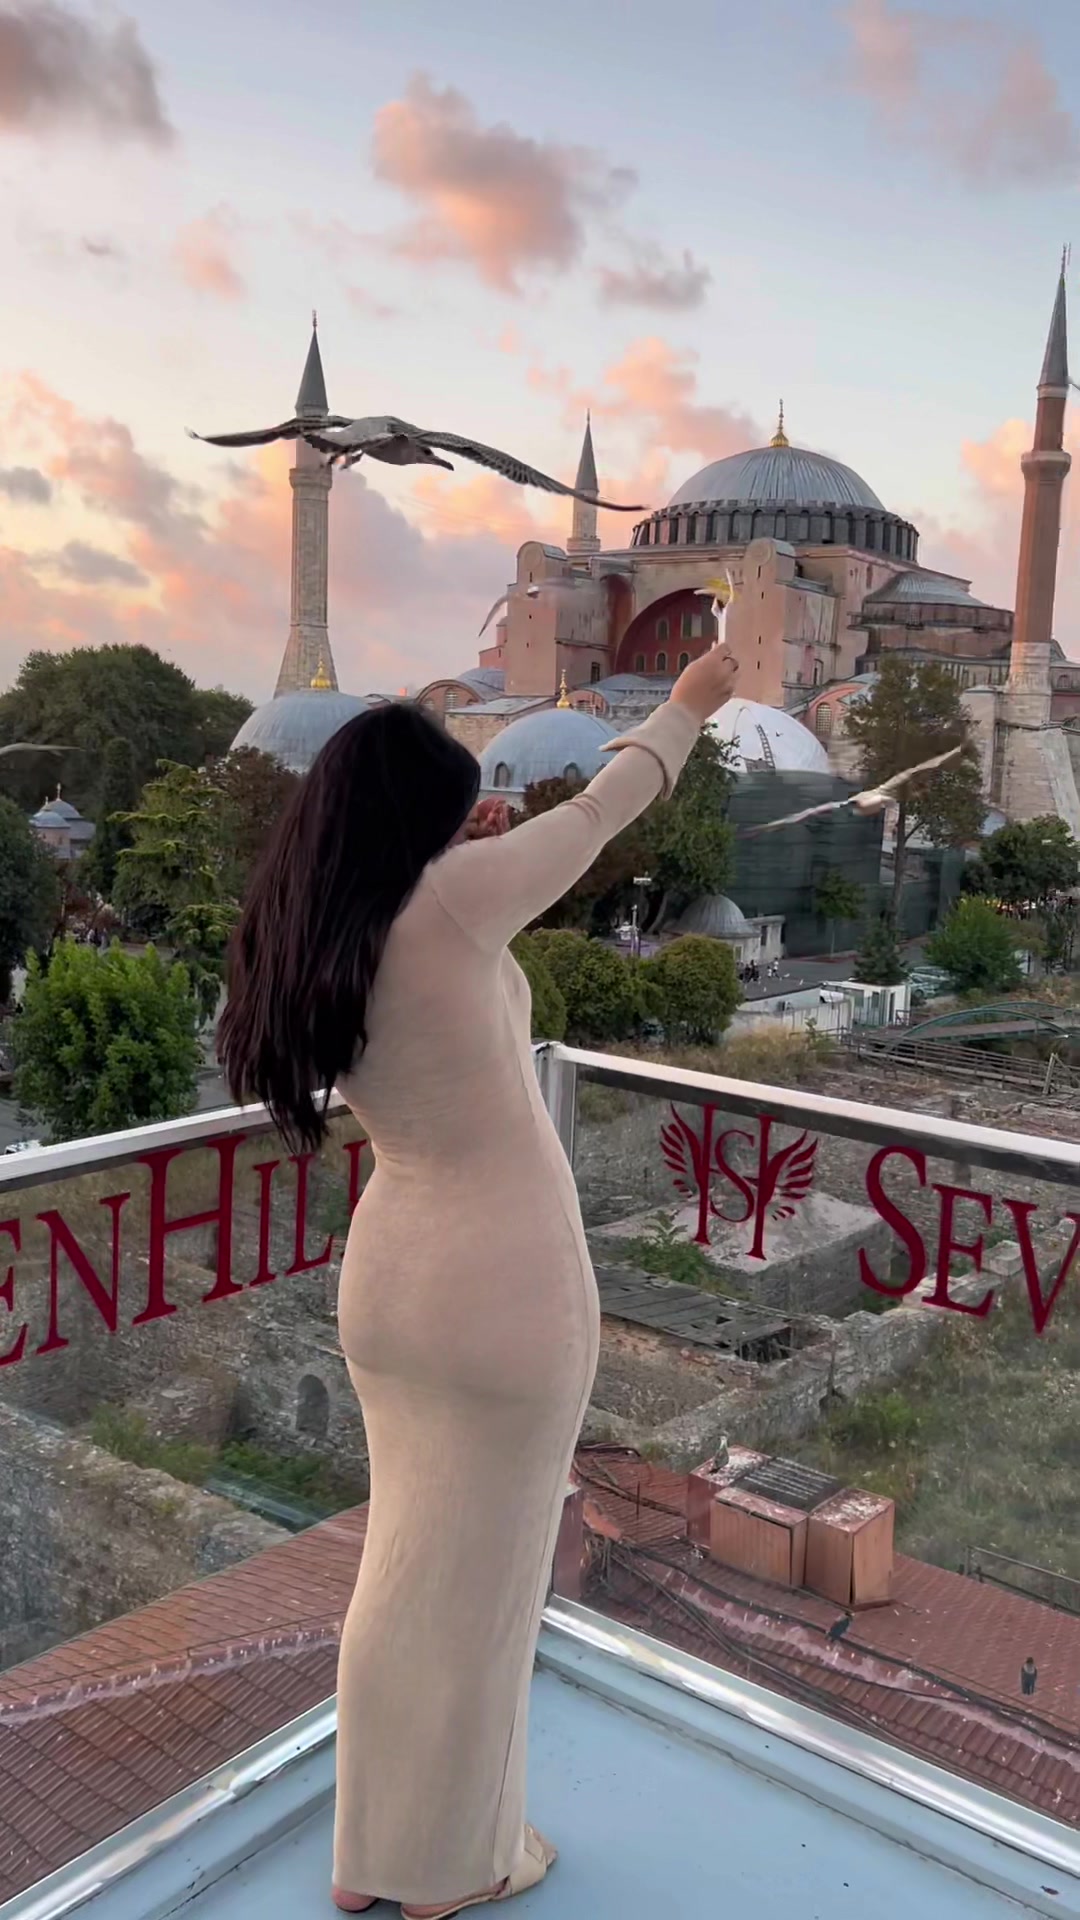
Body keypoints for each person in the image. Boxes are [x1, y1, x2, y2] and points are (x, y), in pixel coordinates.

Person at [218, 645, 739, 1919]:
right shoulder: (453, 905)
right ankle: (458, 1866)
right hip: (500, 1282)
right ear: (422, 821)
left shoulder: (315, 926)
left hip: (393, 1274)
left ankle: (373, 1856)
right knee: (489, 1588)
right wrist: (689, 705)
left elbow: (456, 909)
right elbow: (605, 810)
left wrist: (461, 847)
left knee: (404, 1569)